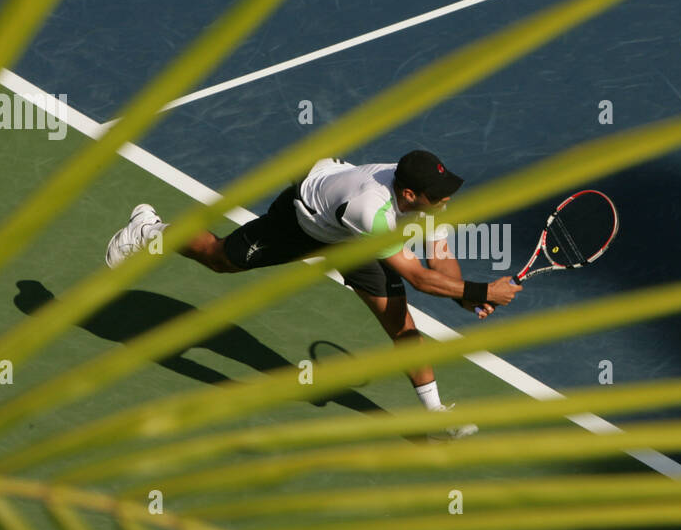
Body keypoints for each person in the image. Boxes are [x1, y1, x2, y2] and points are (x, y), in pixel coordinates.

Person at [105, 150, 521, 438]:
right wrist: (484, 290)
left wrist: (465, 296)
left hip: (352, 238)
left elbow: (440, 258)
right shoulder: (369, 208)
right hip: (304, 222)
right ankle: (149, 228)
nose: (446, 202)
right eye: (439, 197)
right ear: (410, 195)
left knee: (400, 323)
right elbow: (418, 278)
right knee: (220, 258)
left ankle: (434, 416)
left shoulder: (429, 196)